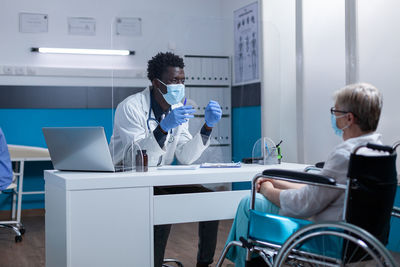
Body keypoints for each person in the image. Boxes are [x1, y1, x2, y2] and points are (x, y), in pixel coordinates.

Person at [224, 83, 384, 267]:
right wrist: (277, 182)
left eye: (335, 111)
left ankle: (244, 261)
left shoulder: (344, 155)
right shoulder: (377, 153)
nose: (333, 117)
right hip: (362, 239)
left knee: (249, 202)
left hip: (325, 237)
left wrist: (268, 190)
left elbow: (304, 205)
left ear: (349, 118)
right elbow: (323, 191)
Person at [109, 52, 222, 267]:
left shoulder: (177, 109)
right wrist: (163, 128)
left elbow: (186, 157)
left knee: (211, 202)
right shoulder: (131, 107)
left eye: (182, 81)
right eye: (173, 81)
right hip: (126, 178)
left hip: (156, 178)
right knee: (160, 207)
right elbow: (139, 159)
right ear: (156, 83)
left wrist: (207, 127)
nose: (179, 86)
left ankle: (204, 264)